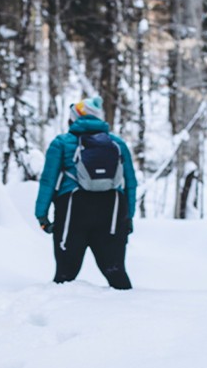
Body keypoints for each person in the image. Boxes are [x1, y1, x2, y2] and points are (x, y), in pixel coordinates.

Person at [35, 96, 137, 290]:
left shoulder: (62, 143)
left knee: (65, 276)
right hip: (112, 211)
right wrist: (128, 217)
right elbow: (130, 183)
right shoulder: (117, 144)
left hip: (73, 211)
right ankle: (130, 316)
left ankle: (56, 317)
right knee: (116, 273)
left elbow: (48, 181)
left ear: (73, 118)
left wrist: (42, 215)